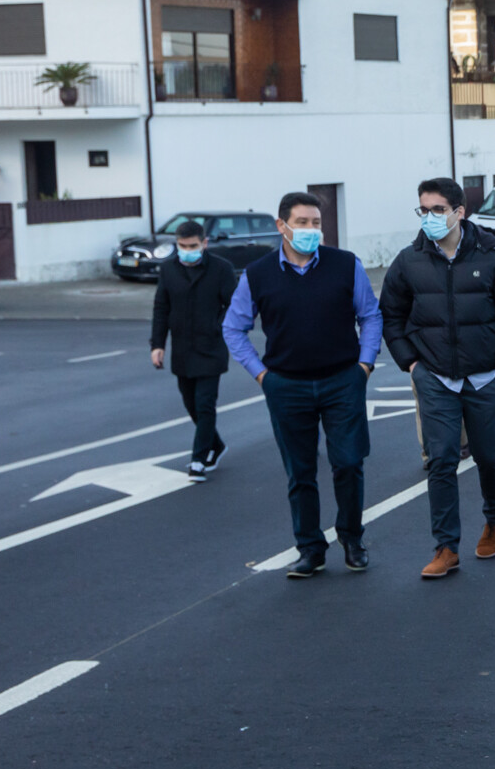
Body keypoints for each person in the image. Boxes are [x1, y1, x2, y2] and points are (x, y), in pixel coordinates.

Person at [223, 191, 382, 578]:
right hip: (286, 386)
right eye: (303, 223)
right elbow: (234, 328)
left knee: (348, 463)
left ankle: (352, 538)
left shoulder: (345, 265)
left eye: (316, 223)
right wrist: (262, 375)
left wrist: (364, 365)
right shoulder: (257, 274)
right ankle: (310, 548)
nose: (312, 230)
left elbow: (371, 315)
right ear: (282, 226)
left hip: (343, 380)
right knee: (300, 472)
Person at [379, 177, 495, 579]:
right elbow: (390, 314)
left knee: (489, 458)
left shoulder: (493, 256)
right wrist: (411, 364)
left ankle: (494, 520)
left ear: (460, 212)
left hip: (485, 379)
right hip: (435, 378)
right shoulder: (410, 260)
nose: (429, 217)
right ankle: (446, 547)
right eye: (423, 210)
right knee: (441, 460)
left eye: (438, 210)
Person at [149, 219, 233, 481]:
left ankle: (198, 460)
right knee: (191, 404)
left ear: (204, 243)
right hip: (182, 350)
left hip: (211, 349)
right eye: (182, 246)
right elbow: (161, 309)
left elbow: (234, 306)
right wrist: (158, 345)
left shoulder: (221, 269)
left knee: (205, 404)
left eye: (193, 246)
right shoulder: (168, 270)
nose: (187, 250)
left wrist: (216, 327)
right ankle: (216, 445)